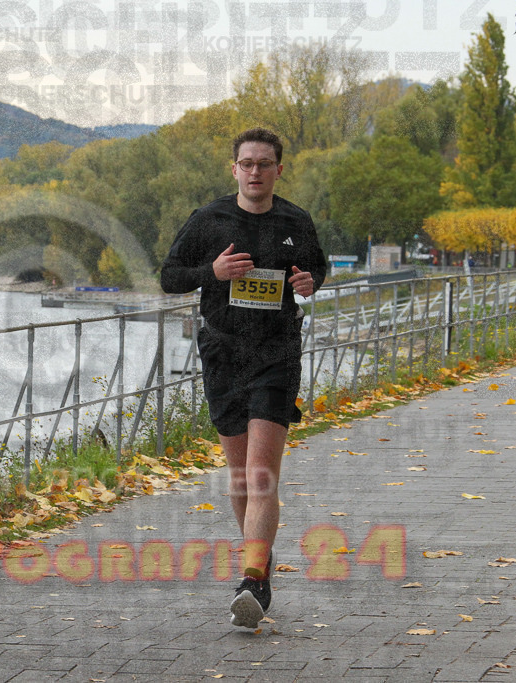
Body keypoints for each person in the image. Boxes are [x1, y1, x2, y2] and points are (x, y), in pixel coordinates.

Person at [159, 128, 326, 629]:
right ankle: (261, 559)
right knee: (239, 477)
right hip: (223, 353)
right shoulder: (208, 220)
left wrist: (310, 282)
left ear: (279, 170)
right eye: (247, 163)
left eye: (264, 163)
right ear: (234, 169)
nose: (255, 172)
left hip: (276, 352)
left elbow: (316, 269)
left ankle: (253, 579)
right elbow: (169, 277)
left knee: (259, 473)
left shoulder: (296, 220)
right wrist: (211, 272)